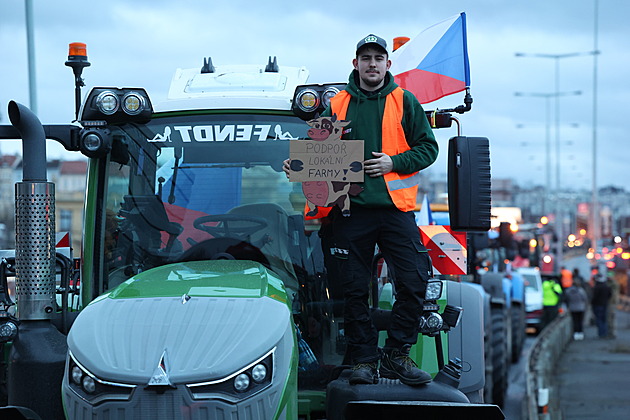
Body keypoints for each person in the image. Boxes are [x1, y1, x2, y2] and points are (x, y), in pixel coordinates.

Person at [284, 34, 438, 386]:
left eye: (378, 58)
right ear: (355, 64)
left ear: (388, 64)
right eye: (365, 57)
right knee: (352, 290)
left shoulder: (405, 101)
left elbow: (428, 149)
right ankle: (365, 360)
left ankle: (397, 354)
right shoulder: (337, 104)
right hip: (349, 212)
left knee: (414, 282)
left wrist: (393, 162)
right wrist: (299, 164)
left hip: (395, 211)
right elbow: (315, 148)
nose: (372, 63)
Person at [591, 272, 612, 338]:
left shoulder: (597, 287)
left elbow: (594, 297)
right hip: (604, 304)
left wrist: (592, 303)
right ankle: (604, 333)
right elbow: (610, 295)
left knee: (599, 319)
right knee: (604, 319)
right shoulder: (606, 286)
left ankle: (601, 334)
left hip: (597, 305)